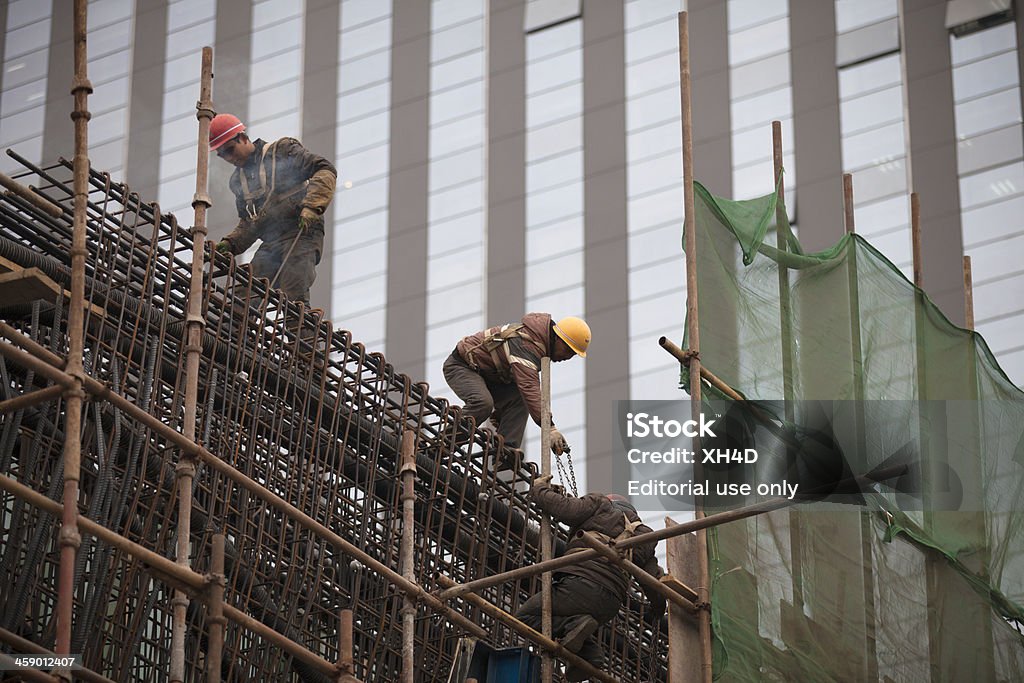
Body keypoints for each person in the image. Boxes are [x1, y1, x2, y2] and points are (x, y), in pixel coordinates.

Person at [516, 477, 666, 681]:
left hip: (579, 583)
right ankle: (588, 653)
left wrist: (539, 488)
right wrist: (657, 610)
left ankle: (574, 627)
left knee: (523, 618)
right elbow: (653, 584)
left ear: (611, 502)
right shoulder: (645, 537)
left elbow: (562, 508)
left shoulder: (600, 505)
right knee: (576, 624)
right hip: (610, 604)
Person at [209, 113, 337, 304]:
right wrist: (230, 244)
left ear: (243, 138)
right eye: (222, 155)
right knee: (244, 299)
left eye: (230, 150)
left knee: (293, 297)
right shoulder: (238, 182)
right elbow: (250, 223)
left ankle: (302, 333)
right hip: (272, 242)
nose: (229, 158)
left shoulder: (282, 151)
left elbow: (325, 170)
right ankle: (234, 332)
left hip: (302, 234)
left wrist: (312, 206)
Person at [442, 314, 590, 463]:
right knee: (483, 403)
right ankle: (443, 445)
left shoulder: (538, 345)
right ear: (559, 339)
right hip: (462, 365)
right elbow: (529, 386)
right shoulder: (528, 345)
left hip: (491, 375)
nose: (568, 357)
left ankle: (506, 449)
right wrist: (549, 428)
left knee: (519, 399)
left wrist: (505, 413)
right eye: (569, 351)